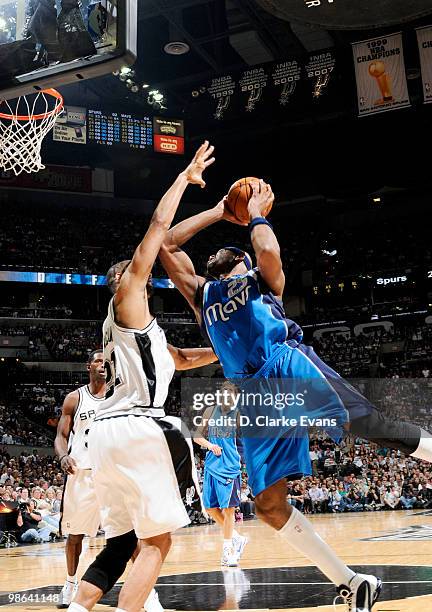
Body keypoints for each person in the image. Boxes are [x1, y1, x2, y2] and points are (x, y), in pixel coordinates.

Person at [159, 179, 431, 611]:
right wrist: (218, 211)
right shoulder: (201, 293)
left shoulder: (261, 278)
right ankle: (353, 581)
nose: (215, 253)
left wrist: (256, 217)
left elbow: (269, 253)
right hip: (253, 395)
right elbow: (165, 246)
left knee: (369, 427)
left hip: (285, 365)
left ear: (241, 259)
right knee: (268, 505)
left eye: (228, 248)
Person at [68, 142, 218, 612]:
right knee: (157, 543)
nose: (146, 275)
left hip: (108, 437)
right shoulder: (128, 296)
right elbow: (157, 229)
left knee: (119, 544)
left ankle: (77, 608)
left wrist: (228, 351)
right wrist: (185, 177)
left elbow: (182, 358)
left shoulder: (141, 336)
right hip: (136, 427)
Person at [54, 350, 107, 608]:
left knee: (129, 535)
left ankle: (145, 591)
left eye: (107, 361)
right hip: (82, 473)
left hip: (111, 473)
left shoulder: (119, 397)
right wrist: (63, 456)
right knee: (75, 536)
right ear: (89, 366)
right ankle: (70, 582)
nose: (103, 365)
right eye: (98, 360)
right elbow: (61, 436)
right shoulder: (75, 398)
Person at [193, 383, 247, 567]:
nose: (226, 395)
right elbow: (196, 435)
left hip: (230, 466)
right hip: (211, 465)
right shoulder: (210, 411)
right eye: (224, 392)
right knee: (209, 508)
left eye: (230, 393)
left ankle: (228, 550)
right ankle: (237, 537)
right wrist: (210, 445)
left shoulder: (238, 414)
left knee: (229, 510)